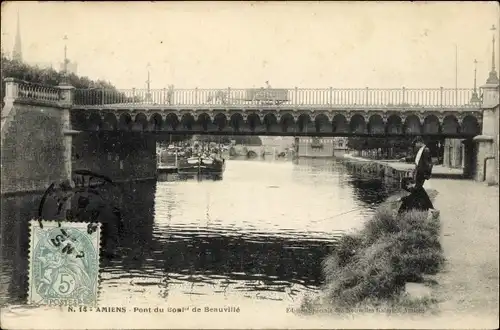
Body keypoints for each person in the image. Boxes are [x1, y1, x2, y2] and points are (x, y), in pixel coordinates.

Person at [398, 136, 435, 214]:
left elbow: (429, 164)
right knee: (419, 190)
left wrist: (426, 174)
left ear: (419, 142)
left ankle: (404, 207)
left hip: (421, 174)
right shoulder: (421, 150)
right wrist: (405, 159)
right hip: (418, 173)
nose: (415, 146)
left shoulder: (426, 150)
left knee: (417, 189)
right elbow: (416, 158)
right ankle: (430, 208)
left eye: (415, 144)